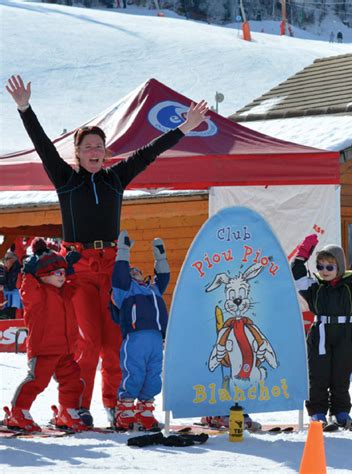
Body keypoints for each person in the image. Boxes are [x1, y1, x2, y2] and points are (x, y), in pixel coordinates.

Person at [6, 74, 209, 427]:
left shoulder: (116, 178)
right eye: (87, 148)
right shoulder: (66, 180)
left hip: (113, 266)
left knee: (115, 340)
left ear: (106, 151)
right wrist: (25, 108)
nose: (94, 153)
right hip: (78, 268)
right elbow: (42, 145)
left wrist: (185, 128)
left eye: (99, 147)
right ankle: (76, 407)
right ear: (78, 154)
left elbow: (150, 152)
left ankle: (115, 405)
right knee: (88, 341)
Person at [291, 229, 352, 427]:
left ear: (339, 266)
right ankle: (318, 412)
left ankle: (341, 412)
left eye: (329, 266)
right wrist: (303, 254)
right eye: (320, 266)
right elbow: (296, 273)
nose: (324, 270)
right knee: (318, 375)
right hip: (320, 333)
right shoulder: (314, 287)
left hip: (345, 334)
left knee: (341, 375)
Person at [3, 238, 87, 432]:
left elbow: (73, 285)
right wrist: (28, 273)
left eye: (62, 272)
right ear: (42, 275)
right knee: (37, 382)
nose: (61, 276)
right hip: (44, 350)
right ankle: (19, 412)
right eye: (56, 273)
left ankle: (67, 411)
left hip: (65, 351)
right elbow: (26, 288)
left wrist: (71, 267)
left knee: (73, 381)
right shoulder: (37, 294)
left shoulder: (64, 291)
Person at [109, 231, 169, 430]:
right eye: (131, 271)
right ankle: (124, 411)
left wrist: (160, 257)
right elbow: (119, 274)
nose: (135, 271)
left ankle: (145, 411)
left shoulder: (153, 290)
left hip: (155, 339)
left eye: (138, 270)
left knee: (153, 376)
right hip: (135, 338)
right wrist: (124, 251)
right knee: (134, 373)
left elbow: (164, 277)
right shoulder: (125, 291)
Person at [1, 248, 22, 319]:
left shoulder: (16, 270)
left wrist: (2, 287)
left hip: (15, 304)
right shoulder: (11, 270)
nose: (4, 262)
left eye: (5, 259)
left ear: (12, 260)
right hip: (13, 303)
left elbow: (11, 286)